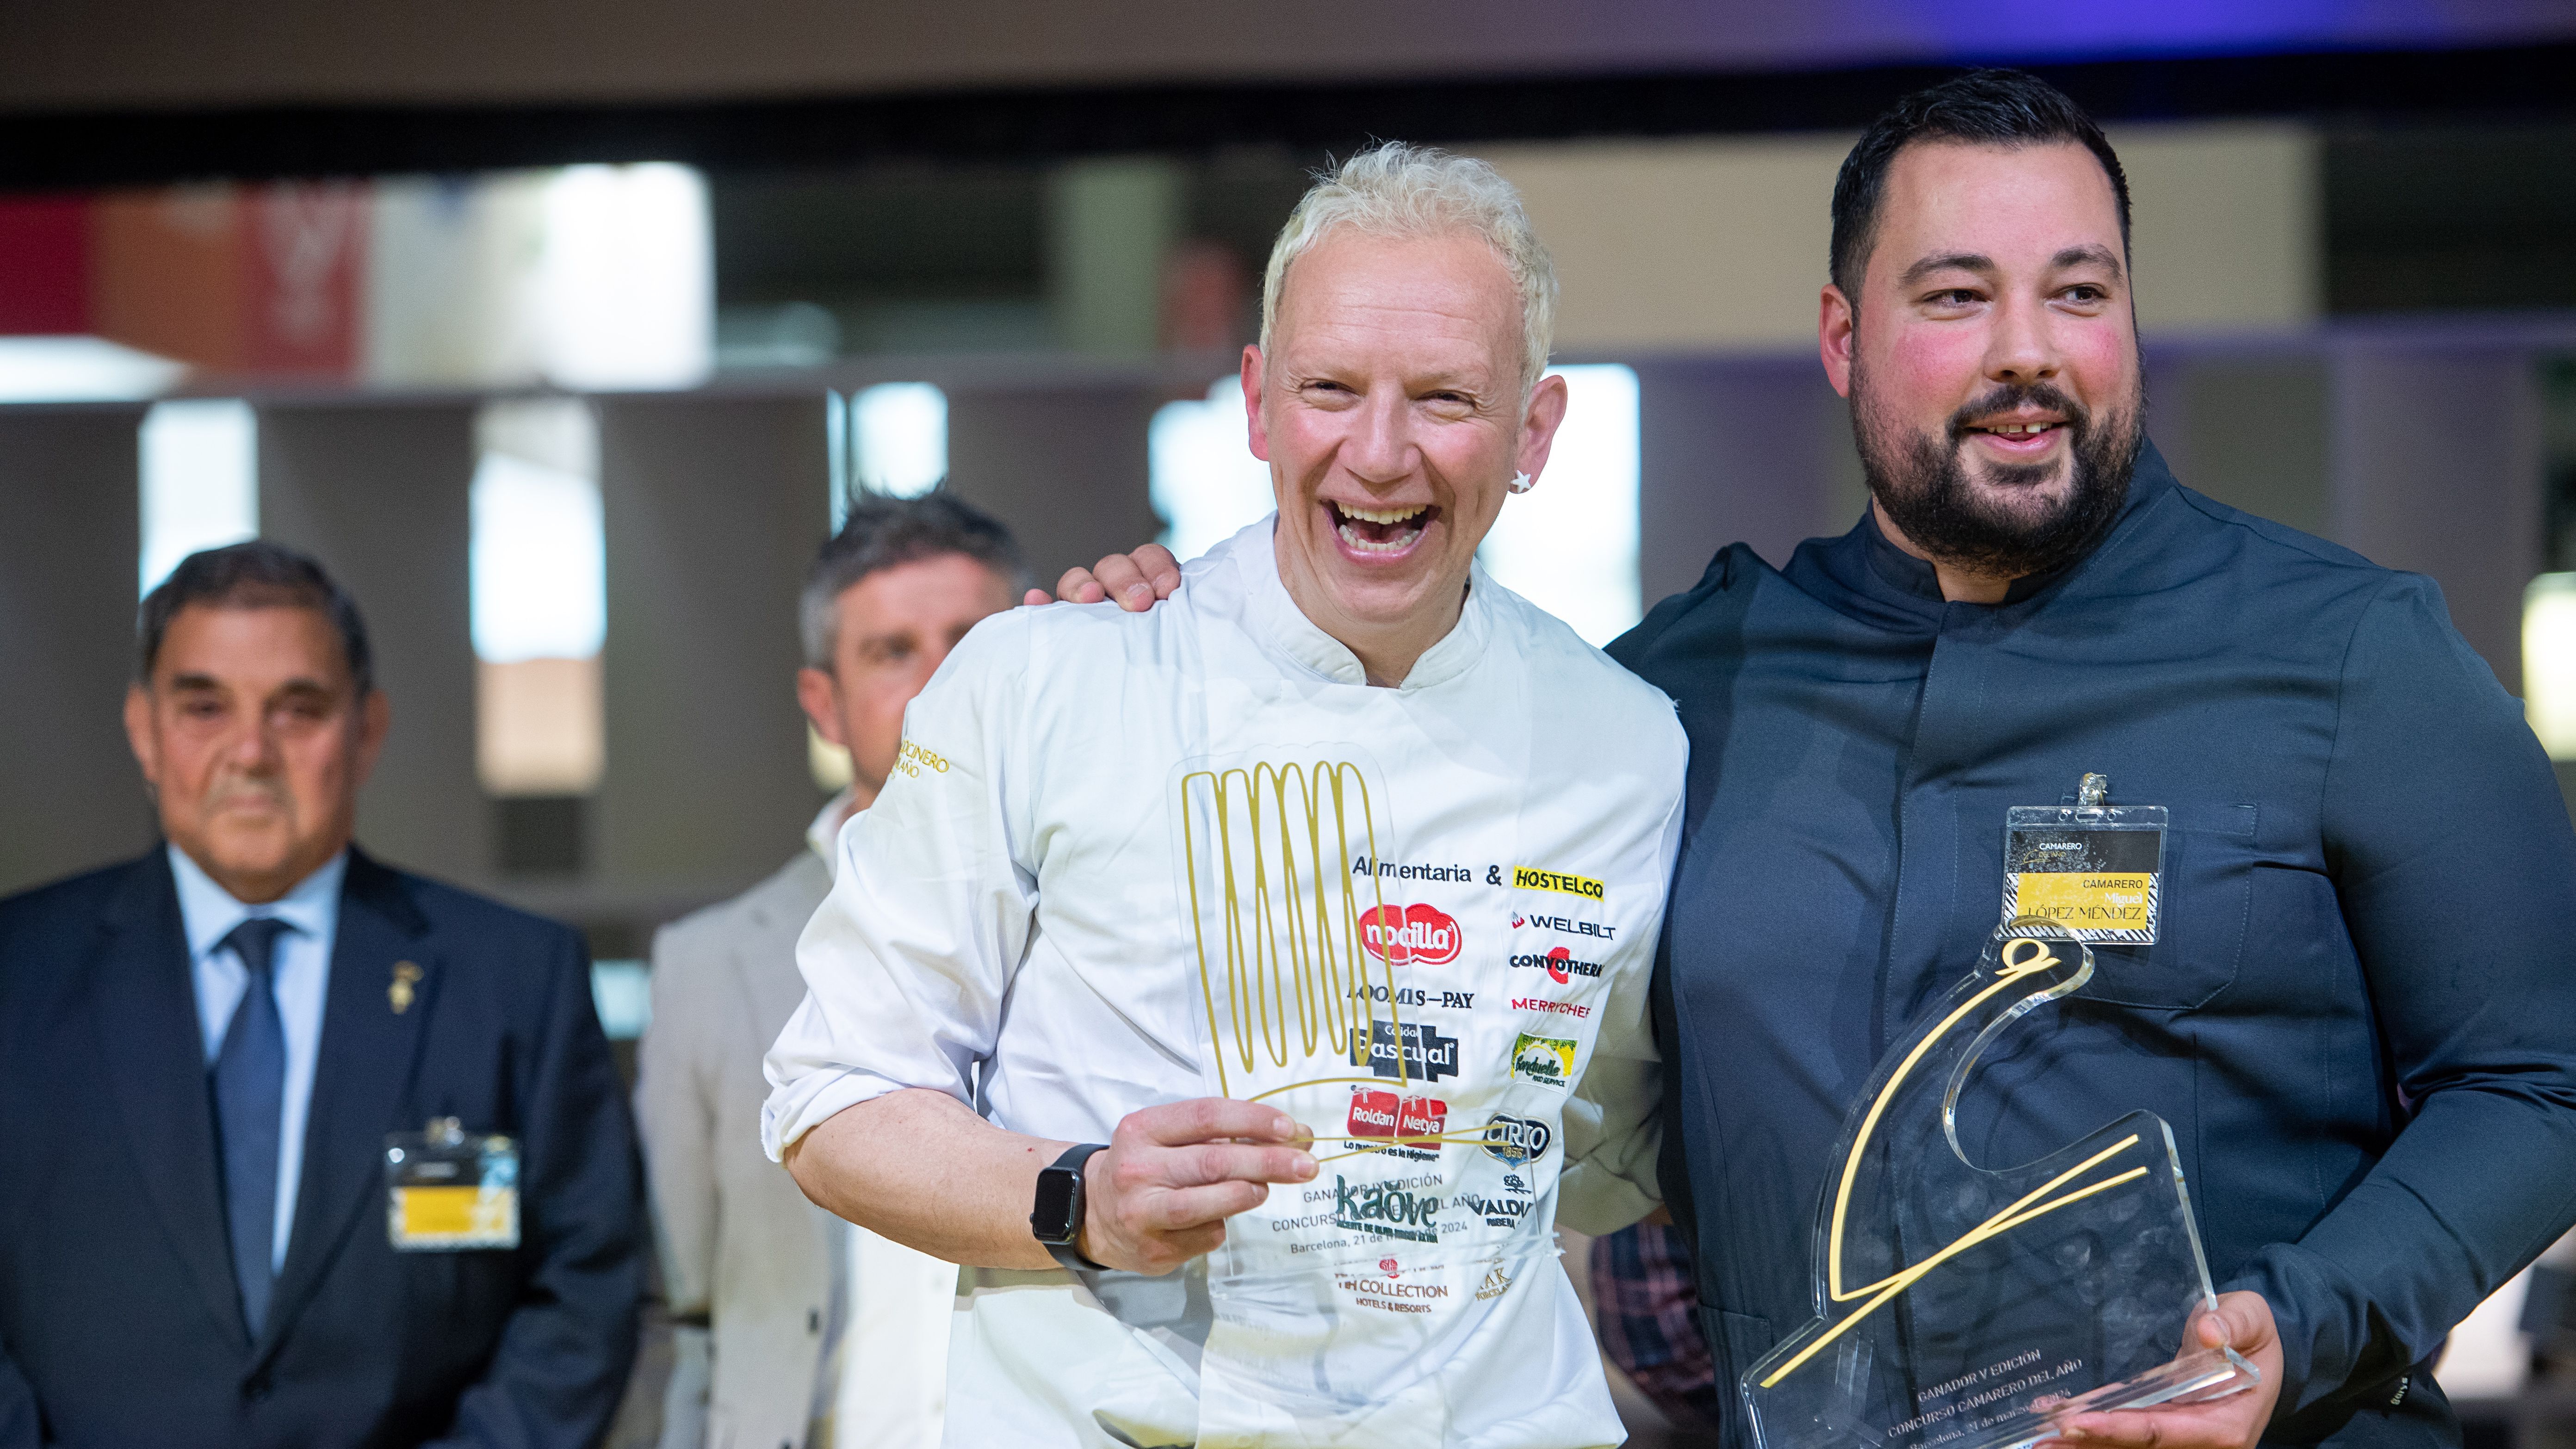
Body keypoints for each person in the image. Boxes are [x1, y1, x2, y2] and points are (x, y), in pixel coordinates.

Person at [1056, 70, 2576, 1449]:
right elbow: (1382, 747)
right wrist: (1161, 636)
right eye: (1955, 296)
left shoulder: (2350, 655)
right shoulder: (1674, 695)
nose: (2024, 353)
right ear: (1841, 341)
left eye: (2075, 292)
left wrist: (2297, 1327)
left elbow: (2539, 1080)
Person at [763, 142, 1686, 1447]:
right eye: (1329, 389)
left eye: (1443, 398)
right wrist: (1078, 1197)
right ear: (1257, 406)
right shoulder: (1048, 677)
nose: (1379, 453)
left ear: (1534, 433)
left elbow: (1597, 1152)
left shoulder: (1627, 745)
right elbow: (831, 1096)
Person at [0, 541, 641, 1449]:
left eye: (298, 709)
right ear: (143, 731)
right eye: (204, 707)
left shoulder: (511, 981)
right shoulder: (18, 977)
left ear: (367, 729)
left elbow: (586, 1284)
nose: (251, 752)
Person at [636, 493, 1024, 1449]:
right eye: (893, 652)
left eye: (971, 642)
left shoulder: (1120, 921)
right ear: (825, 703)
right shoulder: (706, 966)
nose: (941, 685)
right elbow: (677, 1312)